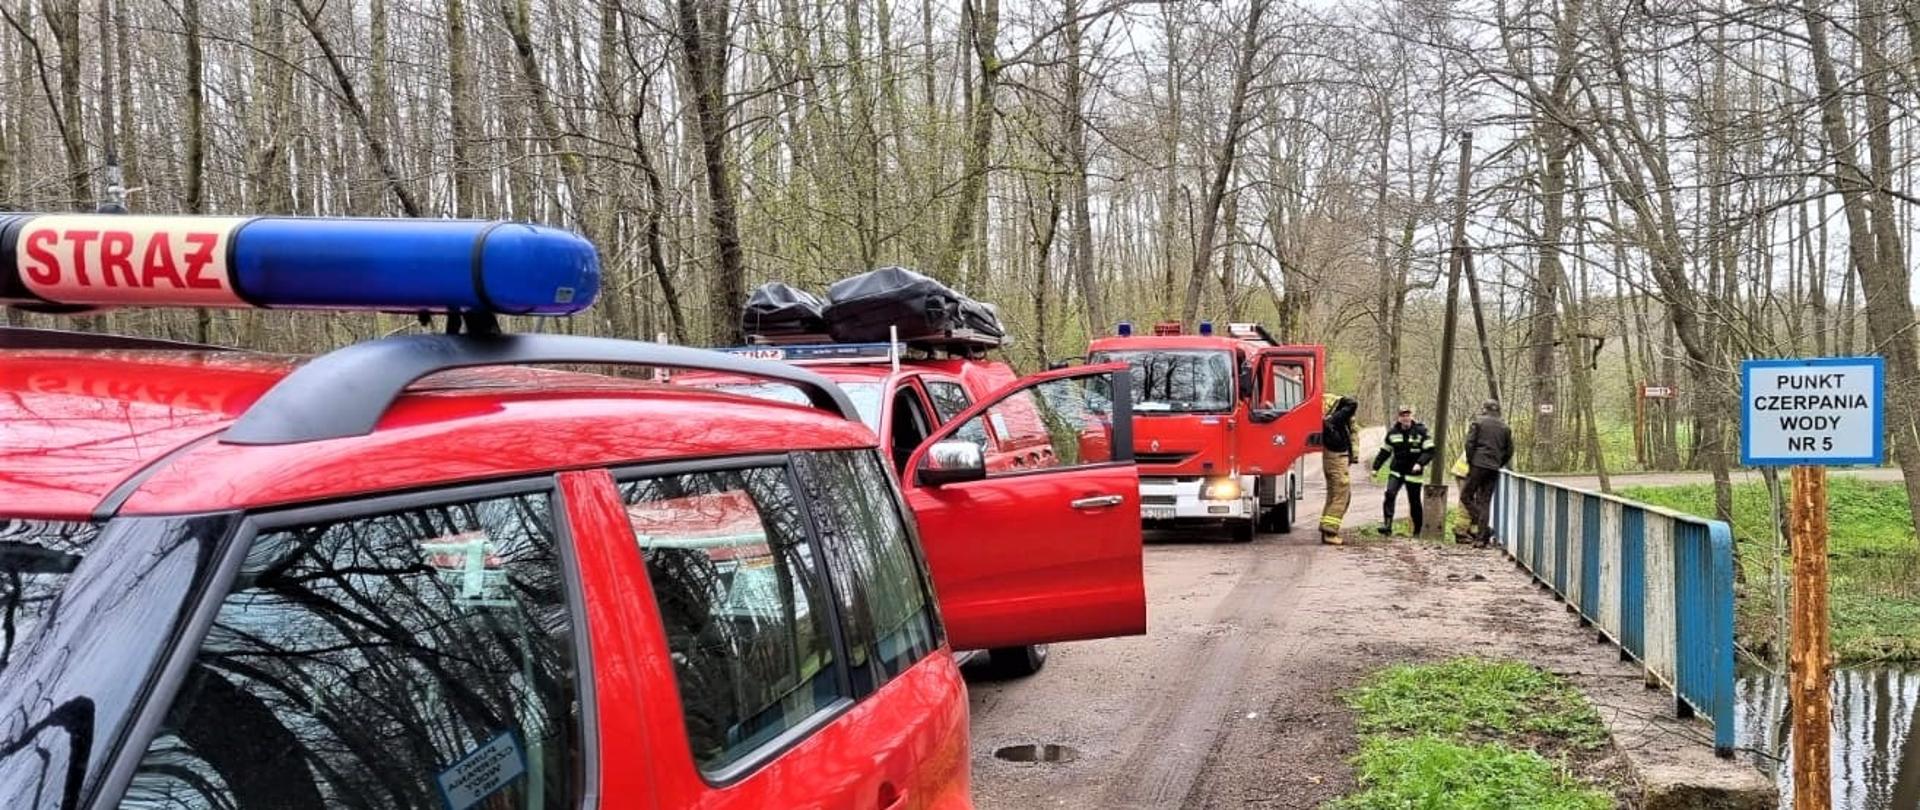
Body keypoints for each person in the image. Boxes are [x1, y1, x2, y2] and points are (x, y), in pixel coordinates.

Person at [1372, 406, 1435, 535]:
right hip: (1397, 471)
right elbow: (1385, 452)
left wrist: (1420, 463)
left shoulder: (1421, 431)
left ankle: (1417, 531)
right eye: (1403, 415)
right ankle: (1387, 526)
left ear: (1411, 416)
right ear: (1399, 418)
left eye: (1407, 415)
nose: (1405, 418)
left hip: (1414, 473)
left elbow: (1430, 451)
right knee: (1390, 494)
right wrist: (1376, 467)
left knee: (1415, 502)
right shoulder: (1393, 433)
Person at [1459, 398, 1514, 546]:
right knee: (1485, 501)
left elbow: (1469, 444)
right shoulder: (1505, 427)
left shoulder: (1478, 423)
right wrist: (1498, 462)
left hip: (1478, 464)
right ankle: (1481, 538)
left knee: (1466, 496)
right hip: (1493, 467)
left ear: (1485, 409)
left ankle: (1484, 527)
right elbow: (1509, 451)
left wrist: (1472, 462)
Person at [1319, 393, 1360, 544]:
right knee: (1340, 493)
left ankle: (1327, 528)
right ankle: (1330, 532)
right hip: (1336, 459)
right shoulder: (1332, 421)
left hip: (1336, 458)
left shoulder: (1332, 421)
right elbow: (1352, 404)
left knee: (1337, 494)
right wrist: (1339, 399)